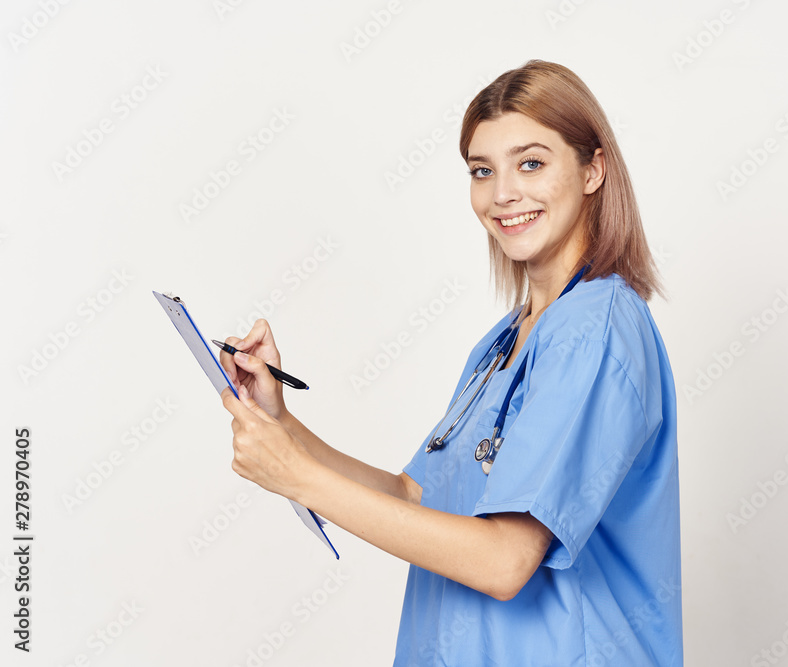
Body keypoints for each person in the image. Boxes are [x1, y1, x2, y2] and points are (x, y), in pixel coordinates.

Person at [220, 59, 683, 666]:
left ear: (594, 169)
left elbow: (505, 560)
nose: (503, 194)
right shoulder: (504, 341)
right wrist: (281, 425)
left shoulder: (596, 330)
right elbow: (415, 497)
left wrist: (296, 477)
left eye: (532, 163)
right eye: (482, 171)